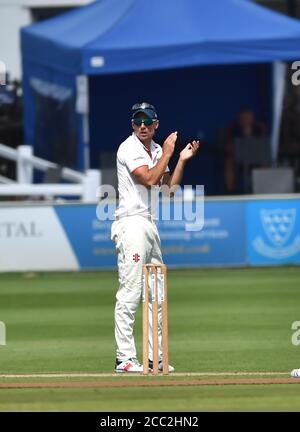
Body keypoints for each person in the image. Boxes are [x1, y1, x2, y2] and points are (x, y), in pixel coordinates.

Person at [111, 102, 199, 373]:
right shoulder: (128, 148)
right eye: (138, 121)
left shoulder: (159, 150)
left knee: (156, 294)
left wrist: (180, 160)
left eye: (147, 121)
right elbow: (148, 179)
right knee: (131, 291)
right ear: (132, 124)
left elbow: (168, 191)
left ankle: (155, 359)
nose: (143, 126)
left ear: (156, 124)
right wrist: (169, 153)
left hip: (149, 225)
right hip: (131, 223)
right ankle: (124, 358)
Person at [224, 107, 267, 194]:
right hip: (238, 158)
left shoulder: (259, 127)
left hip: (257, 157)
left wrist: (249, 138)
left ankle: (263, 190)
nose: (246, 120)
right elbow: (229, 146)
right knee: (228, 162)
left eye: (248, 117)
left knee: (265, 162)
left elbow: (264, 145)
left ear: (252, 118)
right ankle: (230, 191)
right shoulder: (233, 128)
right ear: (239, 119)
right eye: (243, 118)